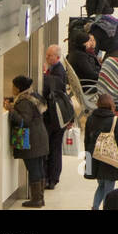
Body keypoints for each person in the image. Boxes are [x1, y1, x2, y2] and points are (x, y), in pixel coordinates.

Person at [5, 75, 49, 208]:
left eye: (13, 86)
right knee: (39, 168)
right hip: (40, 138)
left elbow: (24, 121)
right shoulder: (33, 96)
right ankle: (40, 198)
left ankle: (36, 200)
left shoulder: (24, 102)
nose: (12, 88)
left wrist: (11, 110)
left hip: (32, 141)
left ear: (18, 88)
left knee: (34, 169)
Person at [84, 94, 118, 209]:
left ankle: (95, 207)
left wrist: (88, 159)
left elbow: (86, 140)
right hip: (110, 159)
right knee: (109, 190)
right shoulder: (114, 120)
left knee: (101, 186)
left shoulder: (90, 118)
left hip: (95, 158)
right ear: (111, 105)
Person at [41, 46, 70, 190]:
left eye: (50, 55)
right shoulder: (53, 69)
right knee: (53, 147)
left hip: (55, 118)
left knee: (54, 147)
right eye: (46, 55)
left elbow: (51, 85)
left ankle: (52, 178)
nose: (47, 57)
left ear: (57, 57)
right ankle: (50, 176)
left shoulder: (58, 72)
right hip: (54, 117)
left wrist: (41, 75)